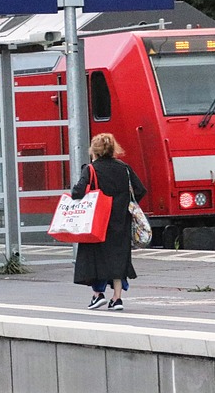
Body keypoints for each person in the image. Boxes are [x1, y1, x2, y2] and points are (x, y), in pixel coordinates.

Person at [72, 132, 147, 311]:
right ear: (113, 149)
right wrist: (124, 204)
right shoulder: (124, 168)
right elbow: (140, 190)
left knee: (93, 256)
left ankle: (97, 295)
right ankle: (117, 299)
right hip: (121, 221)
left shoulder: (91, 169)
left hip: (98, 222)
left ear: (94, 151)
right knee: (118, 259)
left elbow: (78, 192)